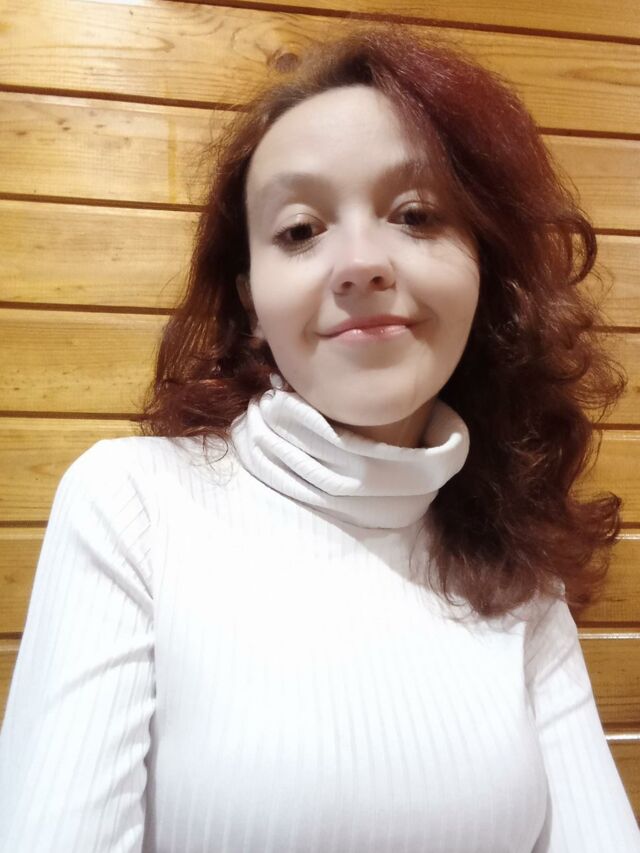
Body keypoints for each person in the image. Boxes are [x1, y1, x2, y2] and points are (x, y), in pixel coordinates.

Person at [0, 21, 638, 853]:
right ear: (251, 297)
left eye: (416, 214)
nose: (361, 262)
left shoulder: (516, 569)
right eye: (301, 230)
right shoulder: (131, 505)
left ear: (485, 267)